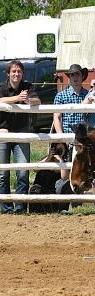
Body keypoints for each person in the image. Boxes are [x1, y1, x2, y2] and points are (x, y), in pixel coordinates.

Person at [0, 60, 40, 214]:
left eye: (19, 71)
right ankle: (5, 207)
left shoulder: (28, 87)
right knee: (3, 173)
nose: (16, 74)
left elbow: (38, 100)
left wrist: (29, 100)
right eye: (14, 71)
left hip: (22, 133)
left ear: (22, 74)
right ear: (8, 73)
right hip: (3, 133)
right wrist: (16, 99)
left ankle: (20, 207)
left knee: (23, 172)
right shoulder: (2, 88)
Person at [53, 64, 89, 203]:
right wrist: (61, 137)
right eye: (72, 75)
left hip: (83, 138)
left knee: (81, 169)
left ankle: (77, 200)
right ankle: (64, 199)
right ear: (69, 77)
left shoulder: (88, 94)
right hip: (67, 136)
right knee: (65, 170)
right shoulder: (61, 95)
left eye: (77, 74)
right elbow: (57, 117)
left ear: (82, 76)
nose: (75, 77)